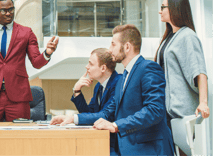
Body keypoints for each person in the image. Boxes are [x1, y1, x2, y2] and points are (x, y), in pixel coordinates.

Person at [52, 25, 174, 155]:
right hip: (127, 147)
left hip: (149, 149)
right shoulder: (123, 78)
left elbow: (155, 110)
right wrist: (73, 118)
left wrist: (116, 126)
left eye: (113, 45)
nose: (110, 51)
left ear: (127, 47)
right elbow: (106, 114)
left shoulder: (149, 68)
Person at [157, 0, 209, 124]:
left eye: (163, 7)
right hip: (165, 111)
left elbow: (199, 71)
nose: (160, 11)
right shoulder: (168, 37)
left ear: (175, 8)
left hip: (180, 114)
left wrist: (203, 103)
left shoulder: (187, 36)